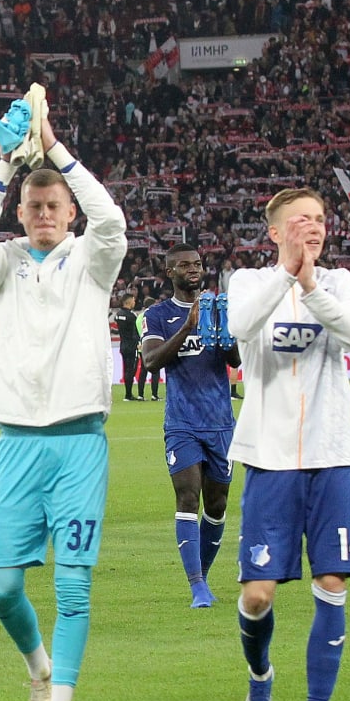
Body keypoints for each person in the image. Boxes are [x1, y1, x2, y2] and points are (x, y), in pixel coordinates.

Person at [0, 92, 127, 701]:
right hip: (18, 444)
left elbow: (112, 219)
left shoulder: (93, 258)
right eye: (34, 207)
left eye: (55, 206)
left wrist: (54, 148)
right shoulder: (4, 266)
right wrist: (5, 167)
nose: (45, 215)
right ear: (21, 213)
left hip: (80, 442)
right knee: (1, 586)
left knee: (73, 583)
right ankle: (38, 670)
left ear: (69, 212)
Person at [228, 188, 350, 701]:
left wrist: (311, 284)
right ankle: (260, 674)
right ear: (276, 232)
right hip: (270, 457)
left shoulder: (339, 282)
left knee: (332, 583)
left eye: (318, 219)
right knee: (258, 595)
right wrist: (287, 276)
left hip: (333, 454)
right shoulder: (247, 282)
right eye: (299, 221)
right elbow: (242, 327)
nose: (312, 227)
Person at [139, 245, 239, 609]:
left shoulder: (219, 309)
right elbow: (151, 361)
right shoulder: (158, 314)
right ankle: (196, 586)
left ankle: (203, 578)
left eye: (197, 264)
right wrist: (187, 329)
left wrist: (227, 331)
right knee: (187, 497)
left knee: (217, 502)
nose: (193, 270)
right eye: (184, 265)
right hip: (182, 423)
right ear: (170, 273)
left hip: (221, 423)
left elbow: (234, 360)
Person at [113, 295, 142, 402]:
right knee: (131, 370)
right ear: (129, 302)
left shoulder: (118, 314)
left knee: (126, 369)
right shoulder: (131, 316)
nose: (134, 302)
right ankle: (128, 394)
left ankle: (128, 394)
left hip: (123, 345)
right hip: (132, 346)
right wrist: (138, 342)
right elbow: (135, 332)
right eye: (133, 300)